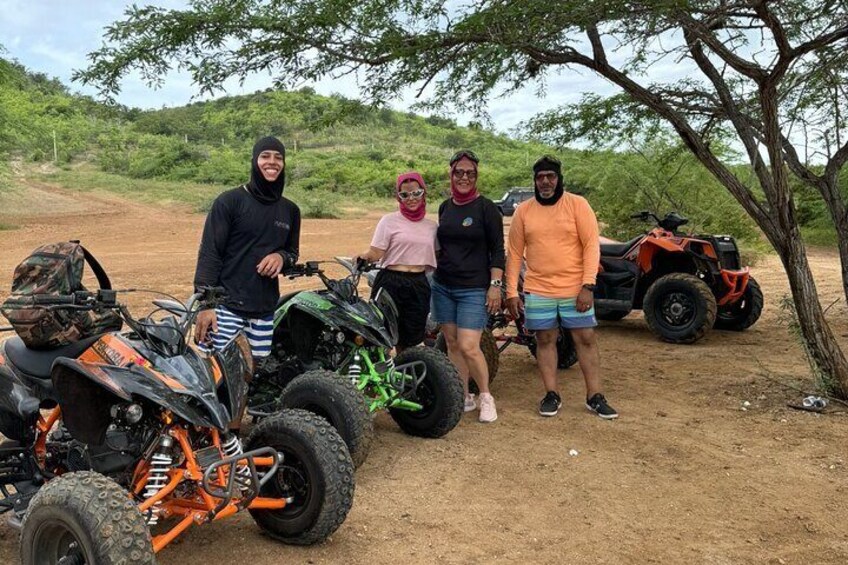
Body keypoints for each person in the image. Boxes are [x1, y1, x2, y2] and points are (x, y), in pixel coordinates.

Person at [505, 155, 618, 419]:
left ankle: (595, 396)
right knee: (545, 339)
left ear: (559, 178)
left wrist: (588, 285)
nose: (545, 182)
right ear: (534, 180)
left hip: (574, 287)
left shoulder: (578, 205)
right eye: (540, 177)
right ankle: (551, 394)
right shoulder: (524, 211)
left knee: (585, 338)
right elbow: (514, 253)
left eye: (550, 176)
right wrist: (511, 291)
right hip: (538, 288)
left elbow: (591, 246)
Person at [193, 136, 301, 361]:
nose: (272, 162)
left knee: (256, 374)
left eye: (278, 157)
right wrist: (205, 305)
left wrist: (281, 257)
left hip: (264, 309)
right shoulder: (230, 202)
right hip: (225, 307)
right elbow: (210, 253)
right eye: (265, 156)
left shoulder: (290, 210)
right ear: (254, 160)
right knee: (216, 372)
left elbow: (292, 252)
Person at [432, 150, 505, 423]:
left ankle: (486, 395)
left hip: (474, 287)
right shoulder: (444, 207)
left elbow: (498, 250)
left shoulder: (486, 208)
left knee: (469, 345)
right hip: (443, 286)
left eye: (470, 173)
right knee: (451, 343)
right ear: (450, 174)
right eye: (459, 172)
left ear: (476, 176)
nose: (464, 177)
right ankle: (463, 396)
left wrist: (495, 285)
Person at [357, 171, 437, 352]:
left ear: (424, 192)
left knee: (410, 340)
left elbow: (440, 255)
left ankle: (405, 377)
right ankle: (380, 376)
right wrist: (362, 257)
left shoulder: (432, 227)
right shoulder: (388, 221)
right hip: (390, 282)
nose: (411, 198)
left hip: (418, 284)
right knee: (381, 336)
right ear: (398, 197)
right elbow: (376, 252)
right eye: (405, 194)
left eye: (416, 193)